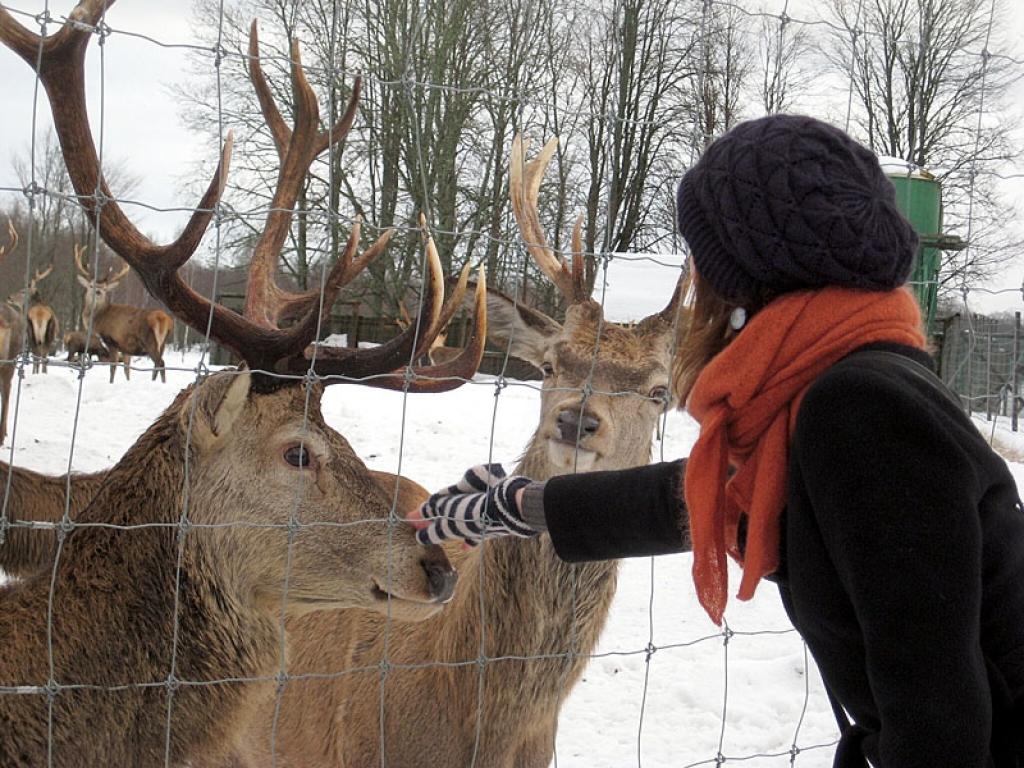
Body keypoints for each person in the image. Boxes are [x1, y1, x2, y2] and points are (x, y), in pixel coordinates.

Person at [415, 114, 1024, 768]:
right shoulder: (841, 383)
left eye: (703, 255)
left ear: (743, 277)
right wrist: (529, 504)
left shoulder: (861, 410)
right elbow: (717, 494)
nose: (696, 283)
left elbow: (940, 718)